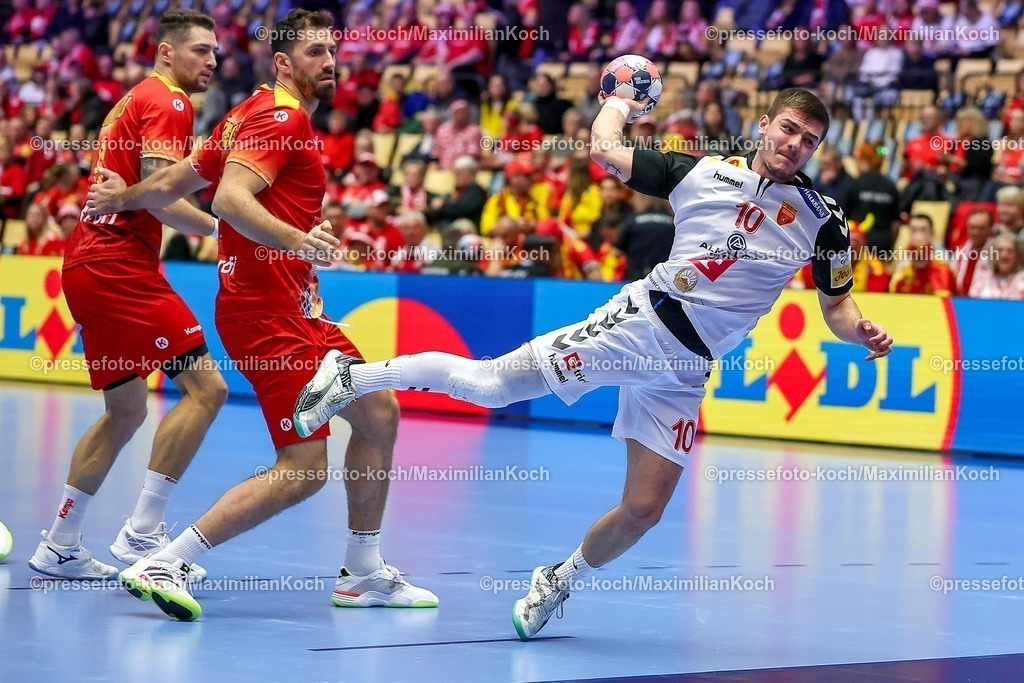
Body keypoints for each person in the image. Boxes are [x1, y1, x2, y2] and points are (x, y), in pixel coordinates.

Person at [293, 88, 893, 639]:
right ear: (763, 125)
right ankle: (351, 377)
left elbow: (836, 304)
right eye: (787, 129)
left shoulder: (825, 221)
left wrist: (859, 330)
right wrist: (619, 98)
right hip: (642, 324)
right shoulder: (699, 172)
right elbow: (604, 148)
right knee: (492, 385)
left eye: (809, 140)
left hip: (688, 369)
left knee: (643, 511)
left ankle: (558, 579)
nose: (795, 145)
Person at [87, 9, 438, 621]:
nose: (328, 62)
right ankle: (167, 558)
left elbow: (176, 179)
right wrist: (298, 241)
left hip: (297, 311)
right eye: (313, 53)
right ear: (283, 63)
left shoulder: (244, 115)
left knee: (379, 413)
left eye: (332, 50)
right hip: (267, 315)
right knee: (303, 469)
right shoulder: (282, 116)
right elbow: (227, 199)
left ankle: (363, 571)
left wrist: (124, 197)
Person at [28, 10, 228, 583]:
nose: (212, 61)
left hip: (88, 263)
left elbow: (144, 193)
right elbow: (161, 198)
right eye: (200, 50)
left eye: (215, 52)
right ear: (166, 53)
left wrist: (139, 198)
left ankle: (60, 541)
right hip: (118, 265)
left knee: (126, 410)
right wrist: (226, 228)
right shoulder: (171, 101)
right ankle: (144, 529)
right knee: (207, 387)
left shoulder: (134, 97)